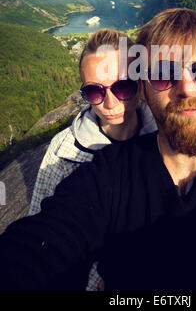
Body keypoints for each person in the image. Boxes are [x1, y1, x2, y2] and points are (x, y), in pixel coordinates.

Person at [1, 8, 196, 291]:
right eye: (163, 74)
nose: (186, 88)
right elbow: (45, 243)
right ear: (145, 86)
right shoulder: (105, 177)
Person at [28, 27, 157, 290]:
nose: (109, 103)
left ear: (140, 83)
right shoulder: (64, 152)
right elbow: (41, 234)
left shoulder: (166, 141)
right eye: (95, 92)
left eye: (123, 86)